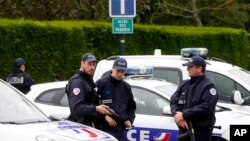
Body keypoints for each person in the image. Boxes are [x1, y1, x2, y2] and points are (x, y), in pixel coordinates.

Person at [170, 56, 218, 141]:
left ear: (199, 68)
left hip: (200, 132)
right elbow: (173, 101)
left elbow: (206, 107)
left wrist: (184, 115)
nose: (187, 69)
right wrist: (178, 117)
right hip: (184, 129)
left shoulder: (208, 86)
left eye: (190, 67)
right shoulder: (184, 84)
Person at [95, 58, 136, 141]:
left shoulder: (126, 87)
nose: (120, 74)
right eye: (118, 71)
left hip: (119, 129)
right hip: (102, 128)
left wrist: (130, 120)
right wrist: (104, 116)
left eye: (123, 71)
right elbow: (92, 104)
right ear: (113, 68)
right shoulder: (101, 83)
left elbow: (131, 107)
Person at [65, 53, 111, 126]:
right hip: (79, 126)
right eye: (89, 64)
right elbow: (77, 108)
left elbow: (91, 102)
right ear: (82, 63)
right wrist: (96, 108)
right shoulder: (77, 82)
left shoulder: (88, 79)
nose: (92, 67)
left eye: (94, 64)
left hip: (88, 125)